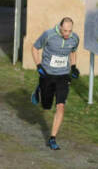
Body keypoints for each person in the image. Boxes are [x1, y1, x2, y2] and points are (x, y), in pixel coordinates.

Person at [31, 17, 80, 150]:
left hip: (63, 76)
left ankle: (52, 138)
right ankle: (40, 89)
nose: (67, 34)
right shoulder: (48, 35)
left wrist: (74, 66)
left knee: (60, 106)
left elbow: (73, 51)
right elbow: (35, 48)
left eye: (69, 31)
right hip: (47, 74)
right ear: (60, 27)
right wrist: (38, 66)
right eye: (65, 31)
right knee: (46, 106)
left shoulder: (74, 38)